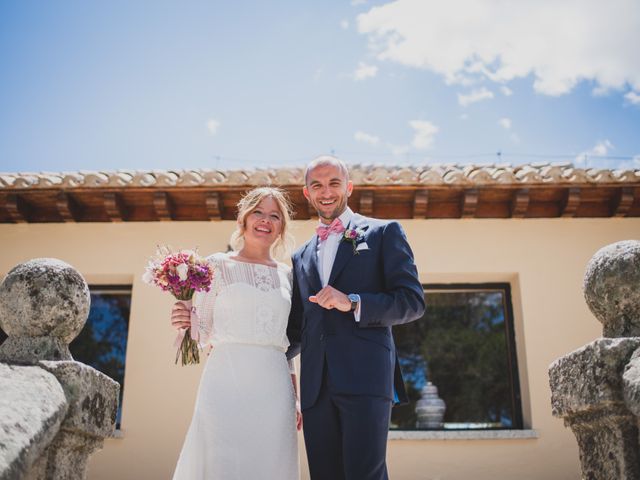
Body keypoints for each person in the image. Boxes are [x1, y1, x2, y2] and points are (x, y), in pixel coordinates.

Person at [286, 155, 426, 480]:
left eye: (334, 183)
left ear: (348, 186)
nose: (326, 192)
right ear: (306, 193)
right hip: (315, 388)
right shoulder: (300, 255)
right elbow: (296, 329)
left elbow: (412, 301)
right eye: (316, 185)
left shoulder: (382, 232)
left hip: (366, 379)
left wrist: (352, 302)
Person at [170, 187, 301, 480]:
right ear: (243, 219)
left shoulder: (288, 276)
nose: (265, 220)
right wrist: (184, 317)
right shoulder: (215, 266)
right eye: (258, 212)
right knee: (221, 462)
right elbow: (200, 332)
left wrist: (295, 396)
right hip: (225, 380)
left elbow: (287, 342)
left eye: (274, 216)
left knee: (270, 463)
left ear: (281, 227)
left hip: (274, 385)